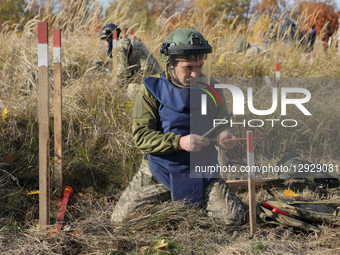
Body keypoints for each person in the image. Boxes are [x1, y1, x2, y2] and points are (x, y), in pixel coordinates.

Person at [111, 28, 245, 225]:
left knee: (233, 219)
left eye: (199, 66)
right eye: (188, 67)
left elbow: (222, 123)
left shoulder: (211, 88)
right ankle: (171, 204)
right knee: (120, 222)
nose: (195, 73)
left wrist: (225, 134)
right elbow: (141, 136)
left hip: (203, 169)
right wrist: (179, 142)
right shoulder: (151, 89)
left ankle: (186, 206)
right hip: (160, 169)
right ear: (171, 63)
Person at [95, 24, 160, 84]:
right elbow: (119, 64)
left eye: (105, 41)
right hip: (153, 76)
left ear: (110, 39)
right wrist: (104, 65)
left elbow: (122, 72)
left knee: (129, 91)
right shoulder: (123, 42)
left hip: (148, 78)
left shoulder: (119, 47)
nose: (104, 44)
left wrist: (104, 73)